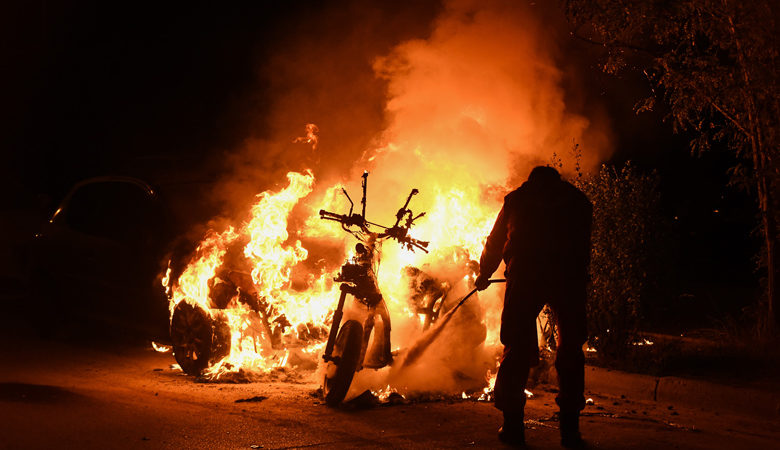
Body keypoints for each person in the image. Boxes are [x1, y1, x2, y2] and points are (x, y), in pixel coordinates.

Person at [475, 166, 592, 448]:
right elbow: (583, 243)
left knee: (515, 349)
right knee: (571, 350)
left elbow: (495, 241)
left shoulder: (517, 199)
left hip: (525, 277)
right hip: (568, 279)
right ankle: (570, 431)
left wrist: (485, 272)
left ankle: (513, 427)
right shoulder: (578, 201)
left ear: (532, 181)